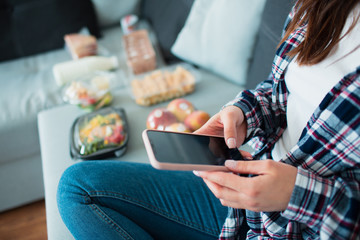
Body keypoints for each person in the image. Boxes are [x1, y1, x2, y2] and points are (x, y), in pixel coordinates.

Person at [57, 0, 360, 239]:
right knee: (78, 187)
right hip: (245, 197)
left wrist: (300, 196)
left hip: (306, 227)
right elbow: (279, 90)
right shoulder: (323, 6)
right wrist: (243, 113)